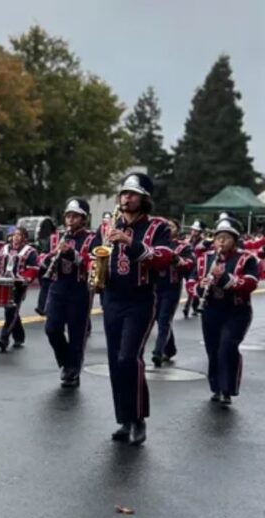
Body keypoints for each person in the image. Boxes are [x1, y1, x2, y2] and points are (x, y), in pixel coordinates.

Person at [96, 173, 173, 446]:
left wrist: (129, 243)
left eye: (132, 194)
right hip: (112, 298)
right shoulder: (108, 225)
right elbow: (92, 252)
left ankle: (139, 418)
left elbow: (163, 257)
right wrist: (95, 265)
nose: (126, 198)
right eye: (124, 193)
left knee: (129, 358)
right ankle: (125, 419)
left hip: (140, 300)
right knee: (115, 361)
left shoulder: (157, 227)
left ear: (144, 199)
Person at [194, 216, 259, 407]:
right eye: (218, 238)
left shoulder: (247, 259)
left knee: (227, 347)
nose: (221, 242)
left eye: (227, 238)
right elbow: (191, 281)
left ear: (235, 240)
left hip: (236, 311)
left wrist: (223, 277)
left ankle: (227, 389)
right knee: (213, 349)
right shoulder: (204, 258)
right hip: (211, 309)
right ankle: (216, 387)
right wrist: (200, 287)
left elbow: (251, 283)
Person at [42, 199, 95, 388]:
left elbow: (92, 263)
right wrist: (50, 257)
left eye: (75, 216)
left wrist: (71, 254)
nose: (70, 220)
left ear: (84, 219)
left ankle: (73, 370)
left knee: (76, 333)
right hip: (58, 287)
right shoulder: (56, 237)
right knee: (52, 329)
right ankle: (66, 361)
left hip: (79, 289)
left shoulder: (91, 238)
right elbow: (41, 257)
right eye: (68, 216)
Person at [150, 220, 195, 367]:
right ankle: (170, 349)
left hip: (171, 287)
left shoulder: (183, 247)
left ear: (178, 229)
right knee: (158, 318)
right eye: (166, 226)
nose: (169, 228)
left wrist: (176, 259)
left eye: (172, 226)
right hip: (154, 286)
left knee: (164, 319)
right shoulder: (154, 244)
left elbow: (190, 264)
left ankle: (158, 352)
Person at [0, 227, 38, 353]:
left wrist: (23, 279)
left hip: (18, 285)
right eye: (14, 235)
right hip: (4, 284)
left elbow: (33, 269)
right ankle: (19, 336)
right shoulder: (4, 249)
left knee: (11, 311)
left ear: (24, 238)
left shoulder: (30, 251)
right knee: (11, 311)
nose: (15, 237)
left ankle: (4, 338)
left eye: (19, 235)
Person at [183, 220, 212, 318]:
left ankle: (190, 307)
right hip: (188, 266)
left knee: (195, 286)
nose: (193, 232)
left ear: (200, 232)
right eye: (192, 230)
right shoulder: (187, 241)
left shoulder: (205, 242)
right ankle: (193, 306)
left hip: (198, 267)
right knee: (190, 286)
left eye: (196, 231)